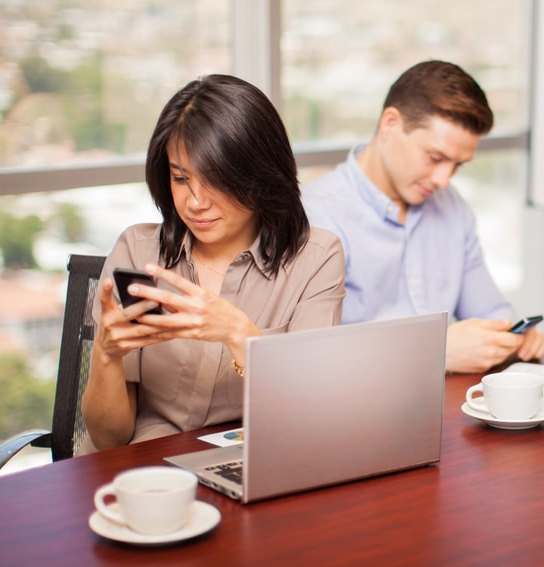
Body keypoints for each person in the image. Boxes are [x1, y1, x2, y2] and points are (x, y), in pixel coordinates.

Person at [80, 74, 346, 452]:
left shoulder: (316, 260)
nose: (196, 202)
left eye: (216, 179)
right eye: (180, 178)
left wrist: (239, 335)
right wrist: (106, 355)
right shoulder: (138, 253)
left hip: (249, 460)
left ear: (261, 174)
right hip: (147, 465)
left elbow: (308, 418)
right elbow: (110, 440)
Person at [302, 60, 544, 373]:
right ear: (390, 124)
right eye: (435, 157)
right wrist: (436, 352)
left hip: (451, 397)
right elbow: (313, 357)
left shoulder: (451, 205)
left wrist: (514, 337)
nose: (444, 180)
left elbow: (489, 311)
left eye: (457, 165)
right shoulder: (317, 217)